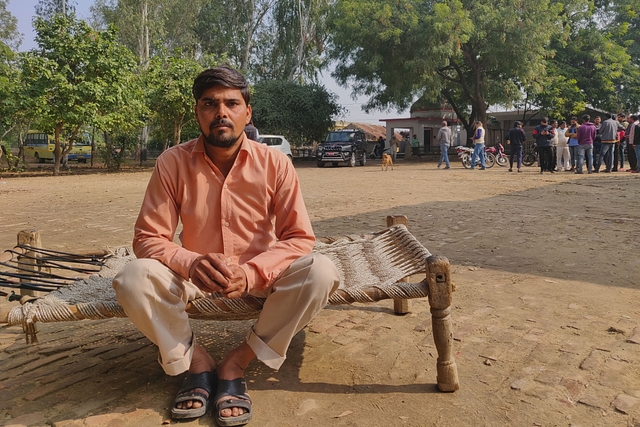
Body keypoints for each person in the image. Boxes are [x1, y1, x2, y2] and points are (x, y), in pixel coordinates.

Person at [112, 66, 340, 426]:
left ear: (247, 113)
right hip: (193, 279)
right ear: (197, 113)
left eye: (232, 103)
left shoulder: (275, 163)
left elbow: (299, 238)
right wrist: (190, 263)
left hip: (262, 274)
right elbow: (147, 238)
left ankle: (237, 362)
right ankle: (197, 361)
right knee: (132, 277)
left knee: (322, 271)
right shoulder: (171, 163)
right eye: (210, 103)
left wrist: (250, 273)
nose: (221, 112)